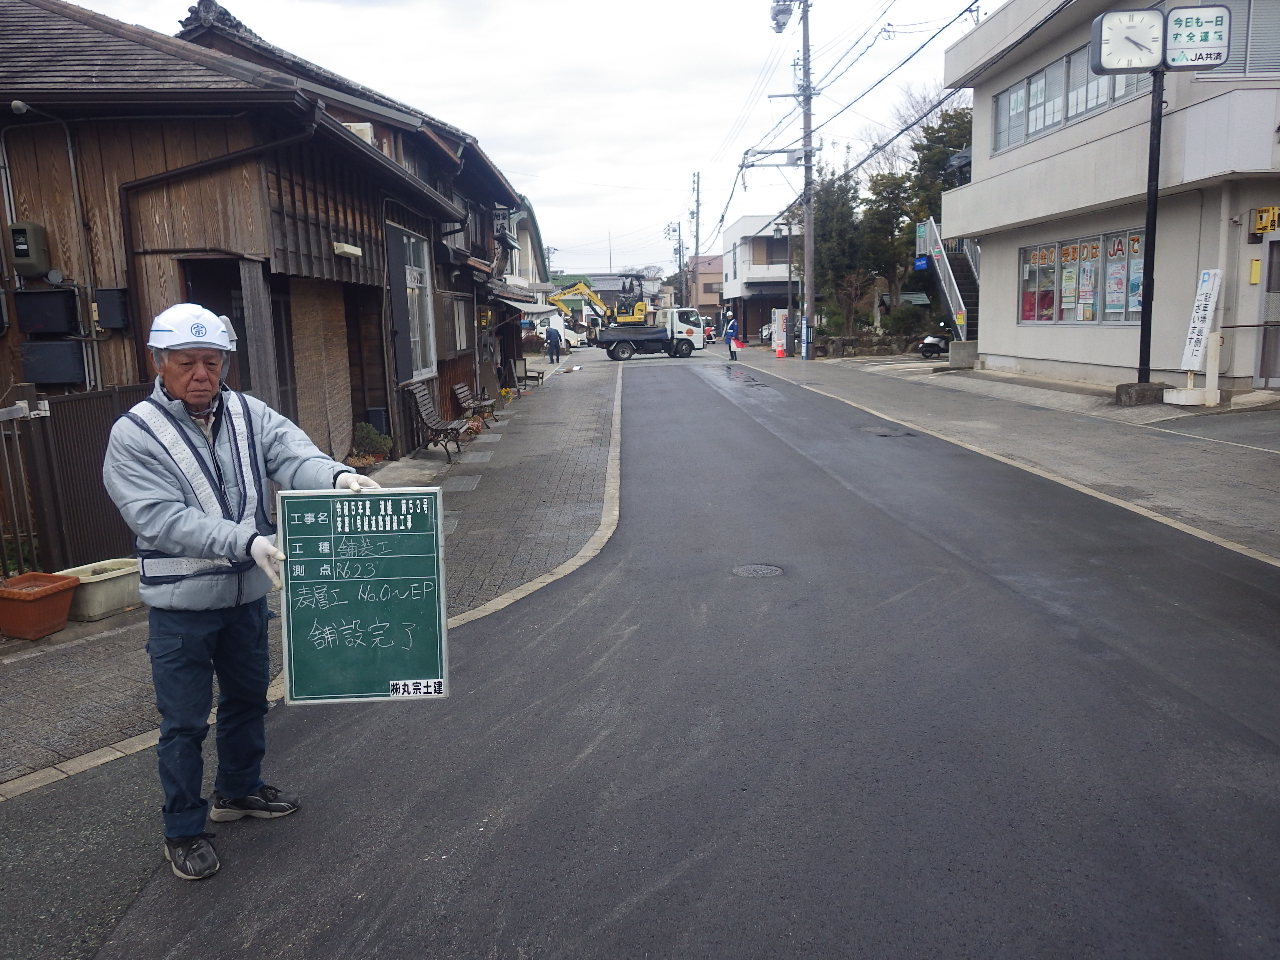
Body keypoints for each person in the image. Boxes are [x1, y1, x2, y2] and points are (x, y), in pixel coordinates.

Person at [103, 303, 380, 881]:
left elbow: (292, 454)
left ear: (225, 361)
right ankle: (183, 828)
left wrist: (336, 477)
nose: (201, 374)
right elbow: (157, 518)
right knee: (183, 723)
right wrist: (245, 538)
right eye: (186, 363)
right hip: (180, 610)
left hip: (247, 596)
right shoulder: (134, 434)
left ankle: (238, 791)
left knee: (249, 701)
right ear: (159, 362)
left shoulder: (250, 414)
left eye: (212, 361)